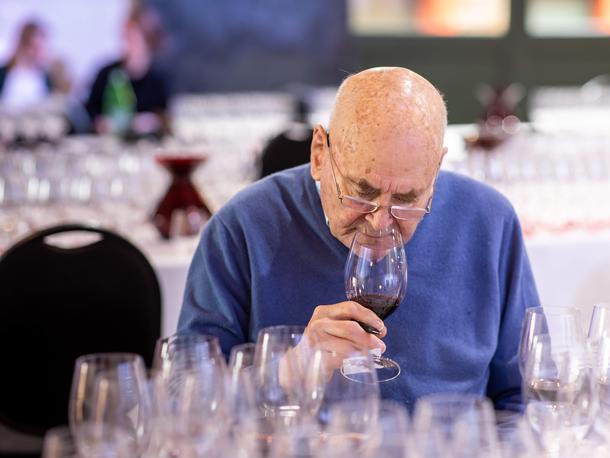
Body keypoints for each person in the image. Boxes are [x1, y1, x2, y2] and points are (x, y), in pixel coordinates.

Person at [178, 67, 540, 411]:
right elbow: (182, 399)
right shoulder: (243, 227)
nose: (380, 223)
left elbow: (528, 395)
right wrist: (286, 372)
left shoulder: (489, 223)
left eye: (406, 200)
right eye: (360, 193)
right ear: (320, 153)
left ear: (437, 167)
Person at [85, 4, 169, 137]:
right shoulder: (107, 73)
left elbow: (165, 116)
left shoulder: (158, 80)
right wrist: (100, 122)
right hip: (109, 144)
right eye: (125, 37)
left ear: (146, 40)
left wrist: (152, 122)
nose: (126, 44)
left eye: (132, 38)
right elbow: (90, 110)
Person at [0, 20, 70, 111]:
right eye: (34, 47)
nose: (38, 52)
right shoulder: (5, 73)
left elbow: (61, 97)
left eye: (41, 47)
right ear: (23, 44)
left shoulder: (45, 76)